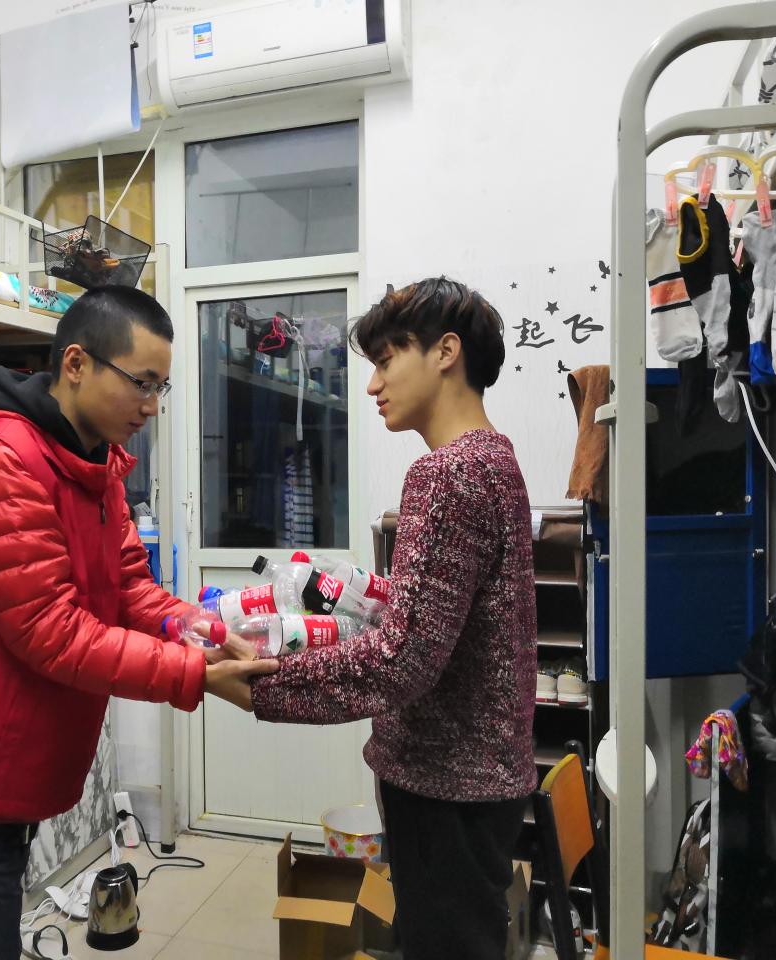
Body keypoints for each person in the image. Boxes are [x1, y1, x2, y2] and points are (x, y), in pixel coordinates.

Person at [0, 286, 274, 960]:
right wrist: (194, 674)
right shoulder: (2, 463)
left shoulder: (96, 466)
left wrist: (205, 631)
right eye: (141, 383)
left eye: (161, 387)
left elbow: (129, 589)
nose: (152, 406)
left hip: (7, 779)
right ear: (75, 364)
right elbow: (51, 632)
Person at [243, 277, 538, 960]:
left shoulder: (447, 474)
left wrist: (261, 681)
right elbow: (443, 626)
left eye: (386, 359)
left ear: (446, 352)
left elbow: (402, 661)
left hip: (445, 784)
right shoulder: (495, 459)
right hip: (482, 777)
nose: (373, 384)